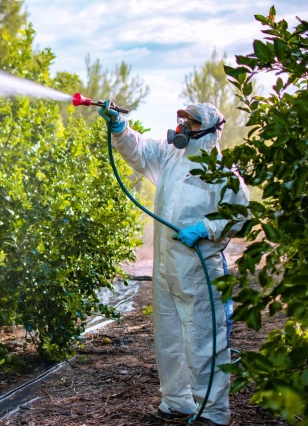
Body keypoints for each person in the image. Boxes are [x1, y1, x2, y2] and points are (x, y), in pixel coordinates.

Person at [98, 101, 249, 426]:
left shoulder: (222, 172)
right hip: (167, 267)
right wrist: (119, 128)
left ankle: (213, 412)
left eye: (190, 124)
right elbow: (139, 149)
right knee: (169, 338)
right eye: (182, 121)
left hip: (199, 270)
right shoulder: (170, 155)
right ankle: (176, 401)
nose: (182, 129)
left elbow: (240, 215)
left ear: (209, 131)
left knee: (203, 338)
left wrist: (206, 228)